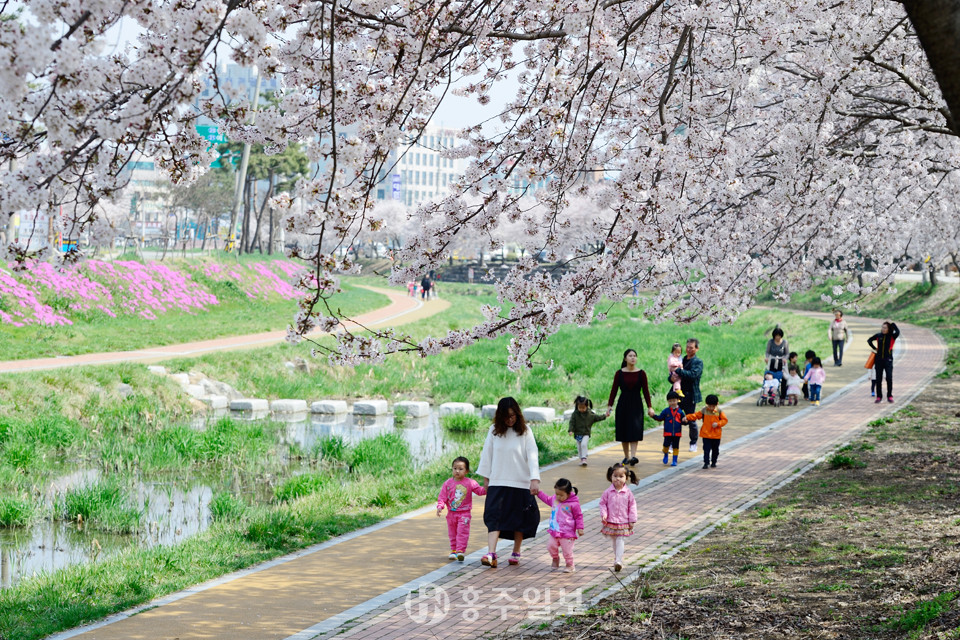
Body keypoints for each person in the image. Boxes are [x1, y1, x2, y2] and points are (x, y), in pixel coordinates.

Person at [476, 397, 541, 568]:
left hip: (520, 482)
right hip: (498, 480)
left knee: (519, 517)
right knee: (493, 516)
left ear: (517, 414)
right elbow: (487, 455)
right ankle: (491, 553)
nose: (510, 419)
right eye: (506, 416)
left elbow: (532, 455)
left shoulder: (525, 431)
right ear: (500, 416)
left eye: (513, 416)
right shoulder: (494, 431)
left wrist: (534, 479)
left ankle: (516, 551)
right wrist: (486, 479)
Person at [607, 349, 656, 466]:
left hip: (636, 404)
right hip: (623, 404)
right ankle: (626, 456)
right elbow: (614, 390)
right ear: (625, 358)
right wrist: (609, 405)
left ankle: (633, 456)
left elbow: (646, 391)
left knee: (635, 429)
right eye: (630, 356)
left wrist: (650, 407)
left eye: (634, 356)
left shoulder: (641, 373)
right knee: (624, 430)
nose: (633, 358)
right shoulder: (619, 373)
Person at [436, 456, 487, 561]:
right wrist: (440, 506)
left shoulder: (470, 483)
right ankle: (453, 551)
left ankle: (460, 551)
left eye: (460, 469)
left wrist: (488, 488)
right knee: (452, 533)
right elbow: (442, 497)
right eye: (455, 468)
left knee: (462, 532)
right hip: (451, 514)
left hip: (464, 514)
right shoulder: (447, 483)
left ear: (466, 471)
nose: (457, 471)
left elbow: (480, 491)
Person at [535, 478, 584, 573]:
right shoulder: (554, 499)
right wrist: (539, 493)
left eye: (561, 495)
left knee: (567, 551)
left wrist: (580, 528)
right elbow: (547, 499)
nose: (558, 497)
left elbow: (578, 516)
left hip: (567, 532)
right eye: (556, 494)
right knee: (550, 546)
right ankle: (555, 558)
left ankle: (570, 565)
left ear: (568, 493)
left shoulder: (573, 504)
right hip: (555, 530)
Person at [600, 463, 638, 572]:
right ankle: (617, 558)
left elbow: (632, 506)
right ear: (610, 477)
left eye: (621, 476)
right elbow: (602, 504)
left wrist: (632, 520)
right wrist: (604, 514)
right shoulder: (607, 492)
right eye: (615, 476)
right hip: (611, 521)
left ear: (626, 478)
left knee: (620, 539)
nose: (618, 479)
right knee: (614, 541)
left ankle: (618, 560)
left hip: (623, 521)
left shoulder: (628, 493)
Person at [671, 338, 703, 452]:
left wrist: (678, 371)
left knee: (691, 419)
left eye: (691, 348)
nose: (688, 349)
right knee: (674, 419)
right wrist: (671, 378)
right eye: (687, 347)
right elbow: (672, 373)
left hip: (690, 395)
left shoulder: (698, 362)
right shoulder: (681, 359)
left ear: (697, 349)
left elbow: (692, 375)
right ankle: (672, 444)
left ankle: (693, 443)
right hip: (678, 394)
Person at [685, 394, 727, 469]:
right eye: (709, 406)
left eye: (713, 406)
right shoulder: (704, 410)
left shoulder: (719, 411)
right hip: (706, 434)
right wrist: (687, 417)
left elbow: (724, 420)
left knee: (715, 450)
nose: (711, 408)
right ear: (706, 404)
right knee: (706, 449)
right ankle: (706, 463)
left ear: (717, 404)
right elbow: (696, 415)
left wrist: (718, 424)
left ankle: (714, 462)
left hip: (716, 435)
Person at [652, 390, 690, 467]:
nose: (672, 403)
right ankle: (665, 454)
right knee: (666, 446)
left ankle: (674, 460)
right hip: (667, 432)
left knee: (676, 447)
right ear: (668, 401)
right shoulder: (666, 411)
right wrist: (653, 416)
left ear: (678, 400)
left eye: (674, 401)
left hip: (677, 433)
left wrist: (685, 421)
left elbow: (683, 421)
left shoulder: (680, 412)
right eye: (670, 401)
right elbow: (660, 418)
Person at [867, 321, 900, 403]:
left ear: (889, 329)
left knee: (889, 378)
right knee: (878, 379)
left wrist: (892, 324)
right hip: (878, 360)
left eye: (885, 328)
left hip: (888, 360)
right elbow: (869, 340)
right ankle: (879, 397)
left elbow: (898, 331)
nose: (883, 329)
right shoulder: (878, 335)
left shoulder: (892, 336)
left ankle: (889, 396)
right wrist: (875, 348)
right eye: (882, 327)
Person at [569, 395, 606, 466]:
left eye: (583, 408)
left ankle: (584, 458)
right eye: (580, 408)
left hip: (586, 433)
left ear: (587, 406)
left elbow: (597, 417)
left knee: (583, 444)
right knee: (579, 447)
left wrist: (605, 416)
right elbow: (572, 422)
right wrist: (571, 430)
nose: (581, 409)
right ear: (577, 406)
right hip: (577, 434)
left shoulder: (590, 414)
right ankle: (581, 458)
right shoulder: (575, 414)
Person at [764, 327, 790, 400]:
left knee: (784, 378)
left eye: (779, 336)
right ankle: (771, 392)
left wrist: (785, 358)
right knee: (771, 377)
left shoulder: (785, 342)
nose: (777, 337)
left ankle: (783, 395)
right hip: (772, 362)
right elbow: (767, 352)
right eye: (776, 336)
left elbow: (787, 353)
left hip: (781, 362)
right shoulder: (770, 342)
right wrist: (767, 358)